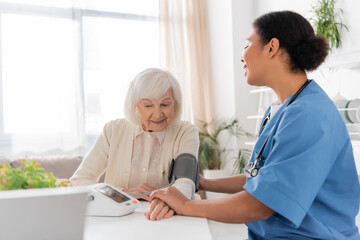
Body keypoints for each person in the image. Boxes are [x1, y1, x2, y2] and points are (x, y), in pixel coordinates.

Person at [148, 11, 360, 239]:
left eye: (247, 45)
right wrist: (203, 183)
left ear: (272, 47)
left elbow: (261, 204)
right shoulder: (279, 110)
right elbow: (258, 180)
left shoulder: (309, 115)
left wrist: (186, 206)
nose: (242, 57)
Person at [70, 68, 199, 221]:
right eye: (148, 105)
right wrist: (122, 193)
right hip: (118, 220)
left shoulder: (186, 132)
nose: (158, 114)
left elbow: (186, 183)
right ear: (136, 106)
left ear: (175, 105)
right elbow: (79, 181)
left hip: (166, 218)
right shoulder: (113, 130)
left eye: (165, 104)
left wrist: (169, 201)